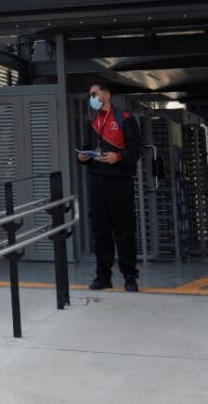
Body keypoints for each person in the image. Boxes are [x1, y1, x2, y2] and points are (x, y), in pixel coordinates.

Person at [77, 82, 142, 291]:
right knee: (100, 232)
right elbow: (86, 148)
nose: (92, 98)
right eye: (90, 95)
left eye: (94, 94)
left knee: (124, 231)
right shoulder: (92, 121)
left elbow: (136, 152)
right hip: (97, 183)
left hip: (120, 183)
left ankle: (130, 277)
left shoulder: (125, 119)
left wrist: (118, 157)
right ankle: (103, 276)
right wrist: (82, 157)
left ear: (106, 94)